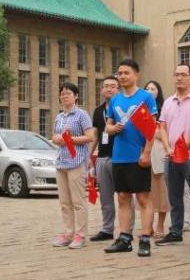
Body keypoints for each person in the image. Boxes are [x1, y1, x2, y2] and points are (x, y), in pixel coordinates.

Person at [103, 60, 159, 257]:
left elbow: (152, 128)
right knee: (123, 197)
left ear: (136, 75)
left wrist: (146, 152)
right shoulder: (115, 100)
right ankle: (124, 238)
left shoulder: (146, 97)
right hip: (119, 156)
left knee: (143, 198)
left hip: (138, 156)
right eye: (120, 73)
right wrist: (113, 128)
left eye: (126, 73)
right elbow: (108, 125)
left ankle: (145, 239)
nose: (122, 76)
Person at [156, 63, 190, 249]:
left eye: (183, 74)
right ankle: (175, 232)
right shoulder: (168, 102)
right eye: (176, 74)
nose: (179, 78)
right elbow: (162, 127)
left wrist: (182, 148)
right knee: (174, 197)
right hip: (170, 157)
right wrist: (168, 147)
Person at [51, 83, 96, 248]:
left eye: (68, 93)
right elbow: (56, 135)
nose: (64, 96)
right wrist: (56, 138)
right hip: (61, 162)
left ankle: (80, 235)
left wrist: (69, 140)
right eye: (62, 93)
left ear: (76, 96)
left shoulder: (82, 115)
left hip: (76, 162)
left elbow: (90, 137)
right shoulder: (59, 117)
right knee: (65, 202)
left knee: (78, 201)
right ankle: (68, 233)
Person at [90, 76, 132, 241]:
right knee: (105, 197)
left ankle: (126, 231)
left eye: (113, 86)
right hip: (102, 157)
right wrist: (89, 155)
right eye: (106, 86)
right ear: (102, 90)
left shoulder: (124, 107)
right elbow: (95, 135)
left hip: (120, 157)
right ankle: (107, 229)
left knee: (124, 196)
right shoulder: (98, 111)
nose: (109, 89)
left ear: (118, 89)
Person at [144, 80, 170, 239]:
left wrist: (154, 132)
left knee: (161, 193)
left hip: (159, 154)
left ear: (158, 92)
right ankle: (148, 225)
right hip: (143, 155)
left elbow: (166, 132)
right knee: (146, 193)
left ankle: (160, 225)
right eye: (147, 88)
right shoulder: (140, 110)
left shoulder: (164, 110)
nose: (149, 91)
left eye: (153, 88)